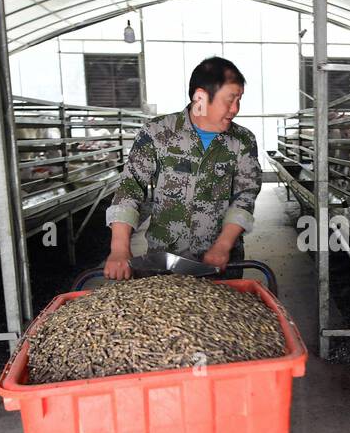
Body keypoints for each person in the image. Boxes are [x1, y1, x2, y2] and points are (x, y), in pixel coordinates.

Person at [104, 56, 261, 280]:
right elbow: (131, 186)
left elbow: (245, 196)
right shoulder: (157, 133)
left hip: (221, 265)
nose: (235, 109)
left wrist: (223, 246)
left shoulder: (242, 140)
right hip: (166, 264)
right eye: (230, 99)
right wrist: (119, 248)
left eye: (239, 99)